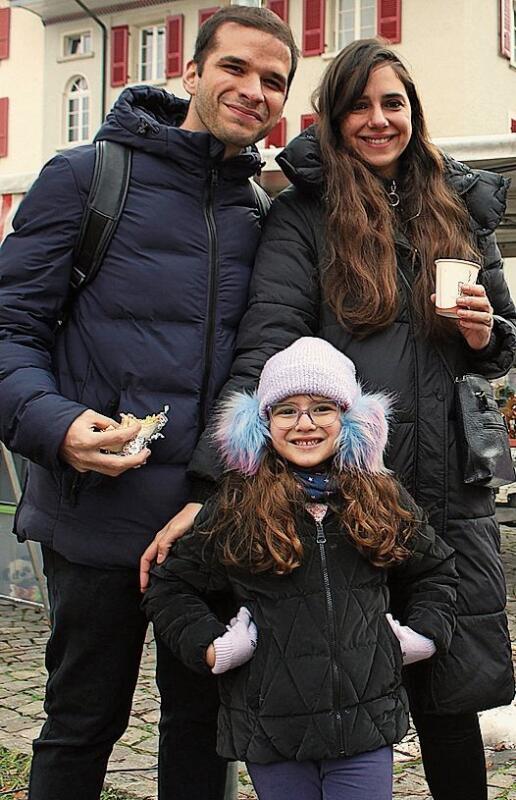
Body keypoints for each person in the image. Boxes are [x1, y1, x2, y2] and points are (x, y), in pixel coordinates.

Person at [158, 40, 516, 800]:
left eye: (395, 103)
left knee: (451, 697)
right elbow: (266, 349)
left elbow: (499, 348)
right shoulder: (303, 214)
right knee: (333, 685)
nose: (380, 120)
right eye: (361, 104)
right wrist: (208, 484)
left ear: (415, 113)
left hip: (450, 483)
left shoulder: (459, 203)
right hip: (349, 490)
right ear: (332, 116)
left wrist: (487, 334)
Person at [0, 6, 298, 800]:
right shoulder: (87, 176)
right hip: (95, 514)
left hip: (204, 524)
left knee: (203, 737)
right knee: (81, 724)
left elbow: (258, 369)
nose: (253, 89)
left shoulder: (257, 215)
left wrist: (220, 494)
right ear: (191, 72)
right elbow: (8, 329)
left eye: (274, 81)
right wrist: (55, 425)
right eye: (234, 67)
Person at [143, 337, 458, 800]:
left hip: (363, 723)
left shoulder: (382, 498)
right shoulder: (235, 506)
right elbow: (170, 586)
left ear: (349, 418)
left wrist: (422, 635)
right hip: (272, 729)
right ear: (263, 423)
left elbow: (436, 571)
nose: (304, 423)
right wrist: (212, 646)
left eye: (322, 408)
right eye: (286, 410)